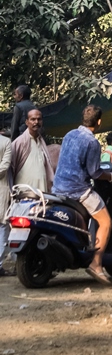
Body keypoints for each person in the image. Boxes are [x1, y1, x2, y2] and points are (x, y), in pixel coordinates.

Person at [52, 105, 112, 284]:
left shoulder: (69, 135)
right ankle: (96, 264)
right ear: (99, 122)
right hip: (78, 191)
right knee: (106, 222)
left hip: (58, 188)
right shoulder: (92, 143)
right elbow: (95, 173)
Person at [10, 109, 54, 192]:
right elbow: (11, 168)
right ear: (27, 122)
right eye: (33, 119)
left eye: (39, 119)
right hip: (25, 193)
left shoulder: (41, 141)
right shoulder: (19, 142)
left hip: (41, 193)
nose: (36, 122)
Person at [0, 134, 12, 277]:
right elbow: (4, 166)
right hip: (2, 189)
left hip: (2, 189)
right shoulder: (6, 142)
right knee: (3, 226)